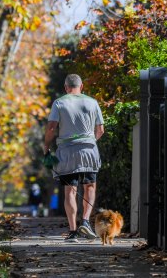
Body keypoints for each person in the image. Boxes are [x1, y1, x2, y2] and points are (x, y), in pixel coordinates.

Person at [43, 74, 104, 242]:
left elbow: (51, 128)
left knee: (70, 190)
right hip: (89, 149)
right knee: (90, 186)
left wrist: (46, 147)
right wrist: (89, 142)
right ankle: (85, 220)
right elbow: (100, 130)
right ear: (81, 86)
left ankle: (72, 231)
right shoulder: (92, 102)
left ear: (65, 88)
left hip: (67, 151)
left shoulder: (59, 103)